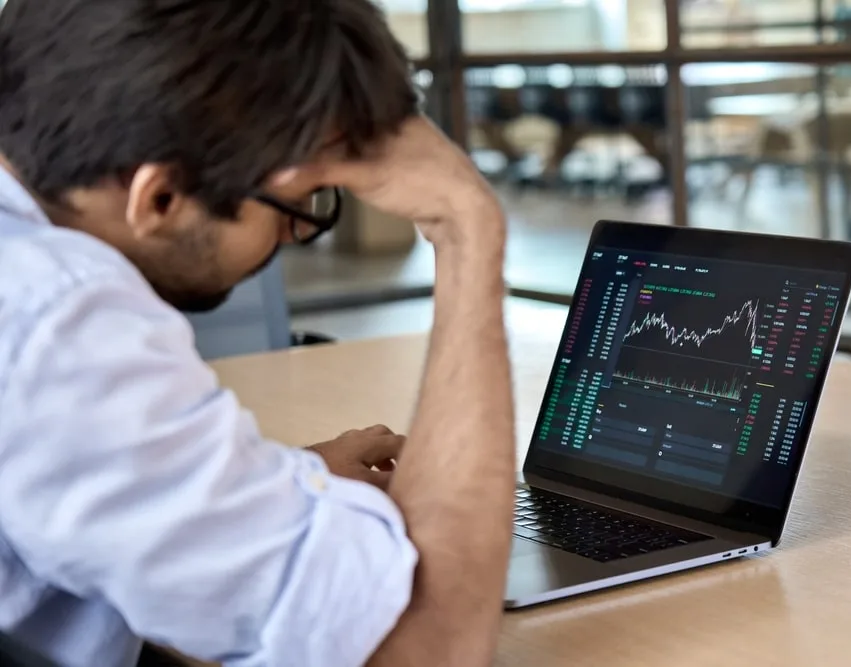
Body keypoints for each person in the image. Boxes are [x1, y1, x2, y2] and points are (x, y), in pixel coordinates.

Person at [0, 1, 515, 667]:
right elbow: (424, 647)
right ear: (158, 199)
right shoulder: (58, 322)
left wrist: (258, 491)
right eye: (297, 205)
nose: (300, 231)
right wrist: (465, 225)